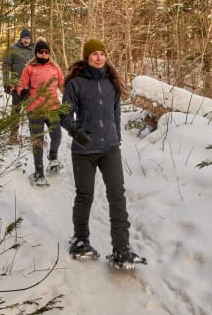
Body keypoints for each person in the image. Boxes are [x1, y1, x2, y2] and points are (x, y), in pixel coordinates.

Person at [60, 39, 145, 268]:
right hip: (84, 150)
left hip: (109, 148)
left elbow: (115, 114)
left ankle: (121, 249)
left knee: (117, 195)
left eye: (102, 53)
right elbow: (64, 116)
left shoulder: (111, 82)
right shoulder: (75, 84)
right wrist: (77, 133)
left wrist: (115, 138)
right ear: (86, 57)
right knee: (85, 195)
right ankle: (80, 240)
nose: (99, 57)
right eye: (94, 54)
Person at [17, 40, 65, 186]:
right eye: (41, 52)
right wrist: (22, 92)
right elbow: (21, 85)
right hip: (35, 109)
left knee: (56, 136)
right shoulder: (29, 68)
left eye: (46, 52)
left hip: (53, 108)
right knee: (37, 141)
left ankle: (53, 156)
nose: (44, 54)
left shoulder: (55, 67)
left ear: (49, 53)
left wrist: (70, 97)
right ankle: (39, 172)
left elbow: (62, 84)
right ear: (36, 53)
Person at [2, 29, 35, 144]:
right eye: (24, 38)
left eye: (28, 38)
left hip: (31, 88)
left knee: (33, 112)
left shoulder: (35, 50)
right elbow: (6, 65)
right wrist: (6, 82)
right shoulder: (13, 49)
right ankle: (13, 136)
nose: (26, 40)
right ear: (21, 39)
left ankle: (35, 137)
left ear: (30, 39)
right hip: (17, 87)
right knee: (16, 112)